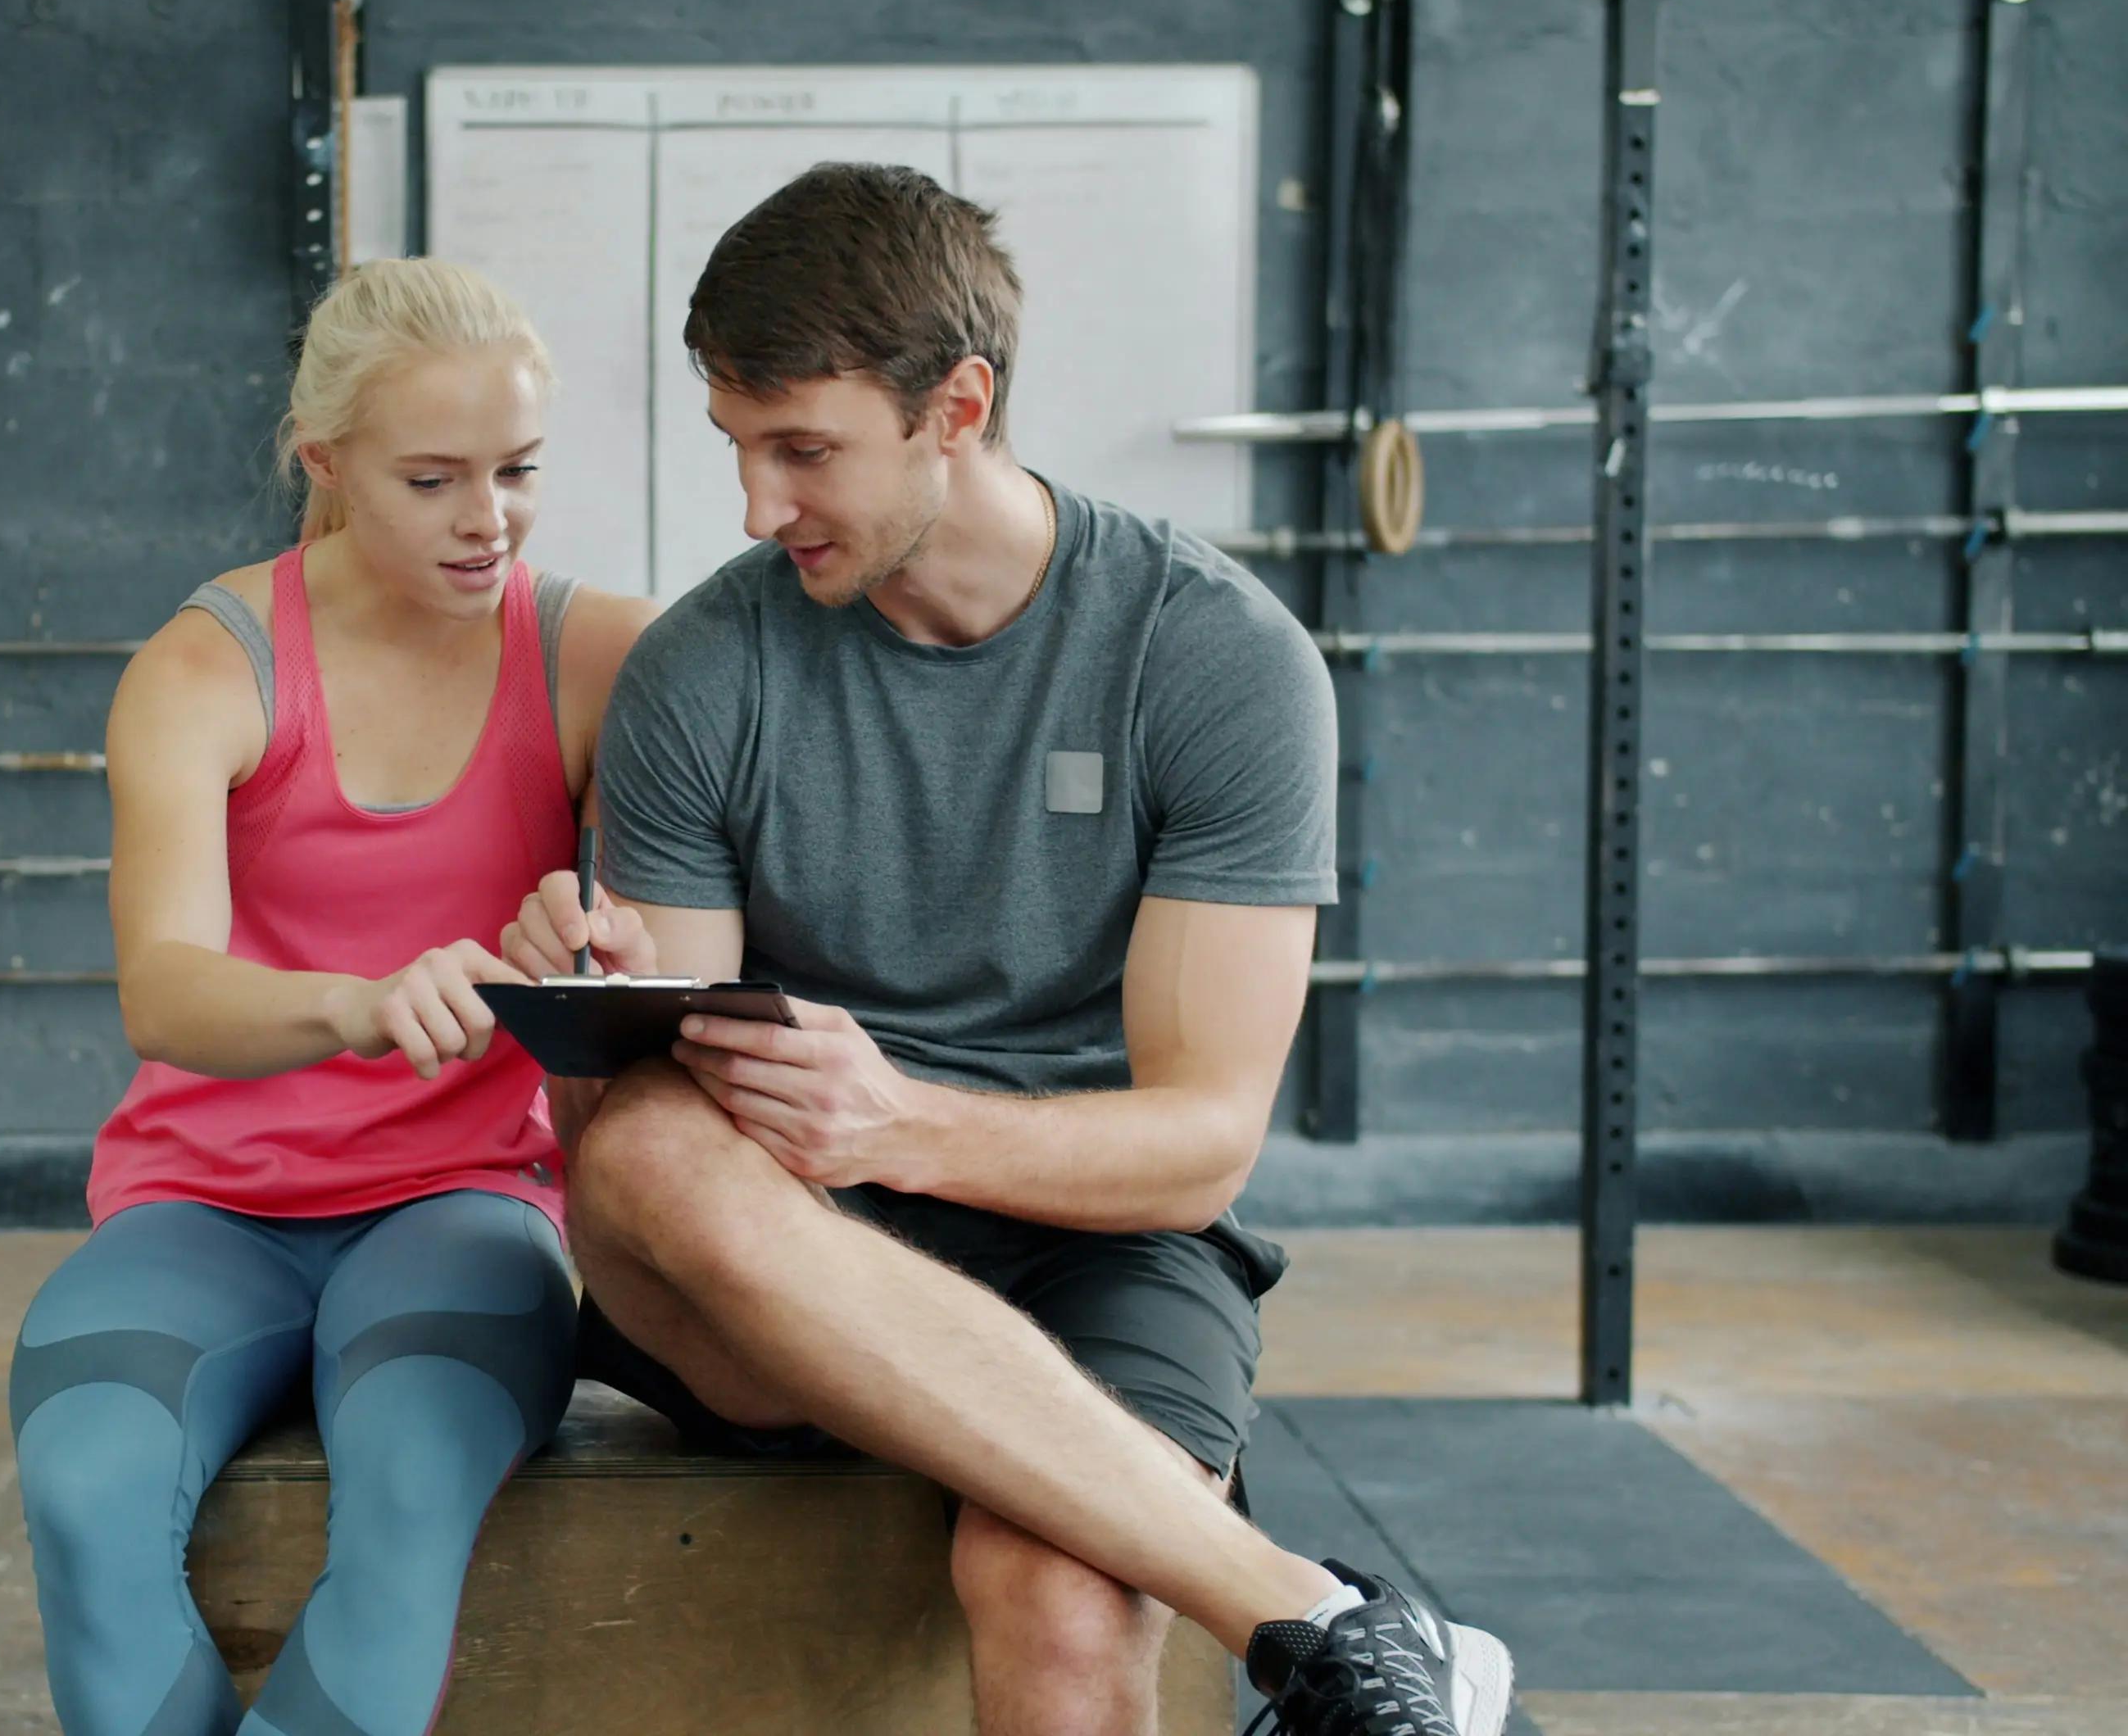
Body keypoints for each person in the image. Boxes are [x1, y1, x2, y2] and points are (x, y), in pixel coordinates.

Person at [501, 164, 1515, 1736]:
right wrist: (596, 1001)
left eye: (805, 451)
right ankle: (1320, 1620)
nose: (760, 509)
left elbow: (1198, 1153)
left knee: (1060, 1590)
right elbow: (631, 1138)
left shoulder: (1218, 663)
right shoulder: (705, 668)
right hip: (782, 1241)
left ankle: (1272, 1605)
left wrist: (901, 1116)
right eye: (739, 450)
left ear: (956, 406)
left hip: (1094, 1235)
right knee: (638, 1154)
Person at [9, 257, 652, 1736]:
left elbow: (671, 923)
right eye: (433, 480)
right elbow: (166, 994)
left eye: (519, 470)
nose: (487, 519)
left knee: (411, 1495)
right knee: (83, 1484)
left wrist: (595, 923)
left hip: (466, 1200)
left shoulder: (598, 655)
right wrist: (360, 1005)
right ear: (327, 463)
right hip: (205, 1204)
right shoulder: (205, 666)